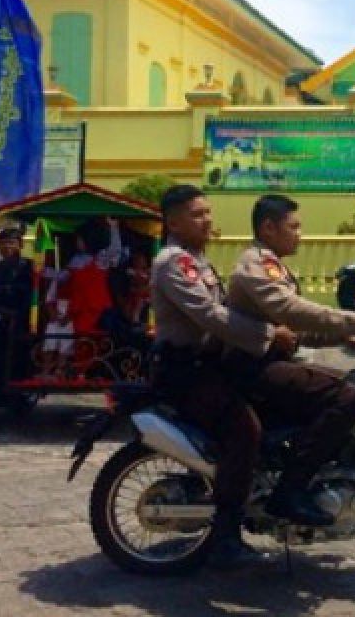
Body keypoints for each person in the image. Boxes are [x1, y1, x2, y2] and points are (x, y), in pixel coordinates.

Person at [225, 194, 355, 528]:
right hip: (252, 366)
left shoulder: (270, 263)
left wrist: (349, 334)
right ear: (269, 227)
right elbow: (291, 311)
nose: (300, 233)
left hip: (268, 360)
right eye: (295, 226)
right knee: (347, 397)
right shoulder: (256, 263)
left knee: (353, 384)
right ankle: (290, 491)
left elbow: (293, 329)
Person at [151, 184, 285, 569]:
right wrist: (270, 336)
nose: (208, 219)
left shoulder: (198, 260)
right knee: (245, 429)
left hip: (209, 364)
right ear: (173, 221)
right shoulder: (174, 263)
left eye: (208, 212)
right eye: (197, 214)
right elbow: (211, 316)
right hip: (185, 372)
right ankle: (226, 536)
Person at [0, 226, 36, 377]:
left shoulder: (29, 267)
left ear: (20, 244)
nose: (7, 247)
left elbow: (31, 295)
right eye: (3, 243)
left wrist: (14, 313)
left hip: (20, 319)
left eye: (11, 243)